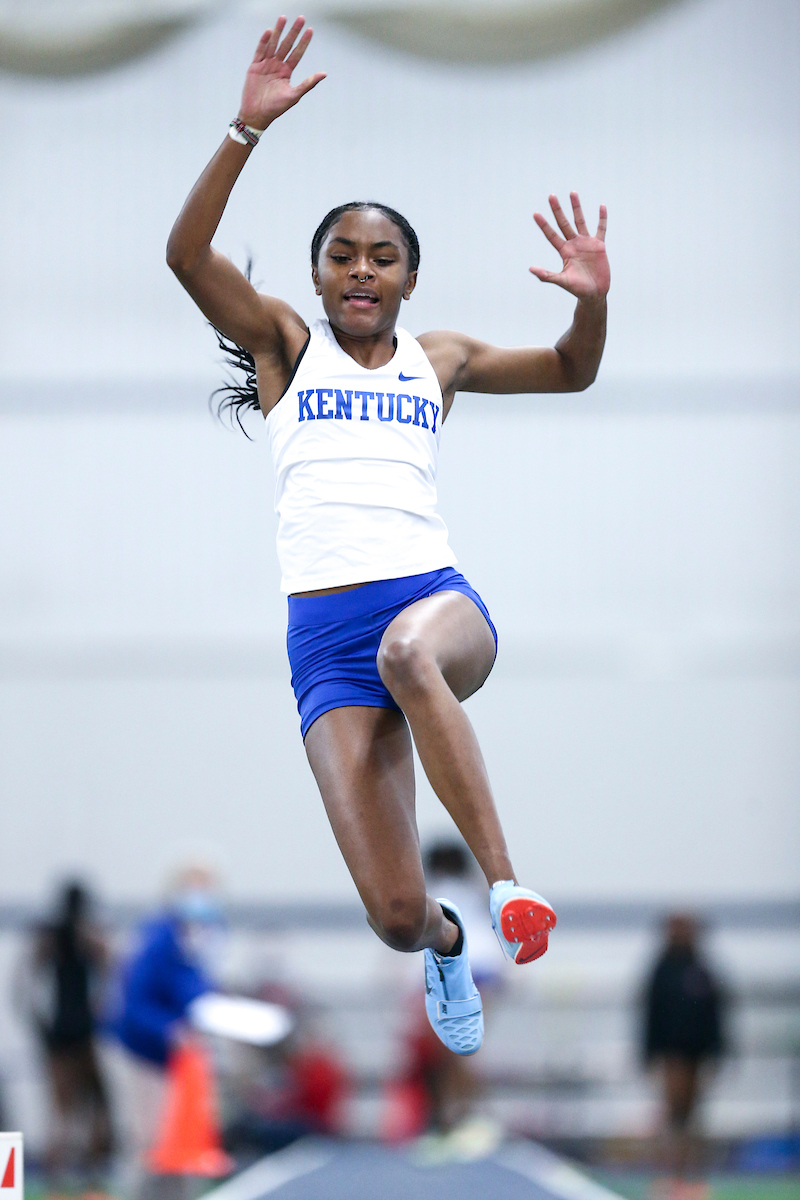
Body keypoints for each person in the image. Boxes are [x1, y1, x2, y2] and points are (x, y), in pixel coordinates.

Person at [166, 15, 609, 1058]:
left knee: (409, 654)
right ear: (319, 278)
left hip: (432, 604)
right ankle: (449, 936)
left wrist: (591, 307)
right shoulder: (284, 345)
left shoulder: (438, 358)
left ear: (409, 279)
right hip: (322, 639)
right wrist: (243, 130)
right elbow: (185, 255)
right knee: (393, 915)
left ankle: (505, 890)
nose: (361, 271)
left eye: (383, 258)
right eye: (342, 256)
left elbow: (570, 369)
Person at [106, 867, 223, 1194]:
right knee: (146, 1143)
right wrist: (170, 1029)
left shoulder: (202, 937)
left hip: (177, 1059)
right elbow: (132, 1004)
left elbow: (197, 993)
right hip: (139, 1051)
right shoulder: (156, 938)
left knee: (179, 1146)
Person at [22, 881, 114, 1186]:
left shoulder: (71, 938)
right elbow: (26, 986)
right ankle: (62, 1181)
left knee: (88, 1111)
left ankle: (84, 1179)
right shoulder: (62, 937)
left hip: (75, 1033)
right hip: (69, 1034)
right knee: (67, 1113)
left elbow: (109, 971)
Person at [642, 913, 726, 1195]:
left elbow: (716, 1015)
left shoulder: (702, 970)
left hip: (696, 1057)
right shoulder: (662, 970)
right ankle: (671, 1175)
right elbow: (650, 1015)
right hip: (671, 1057)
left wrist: (717, 1053)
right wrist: (649, 1054)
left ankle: (691, 1177)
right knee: (672, 1116)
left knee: (692, 1118)